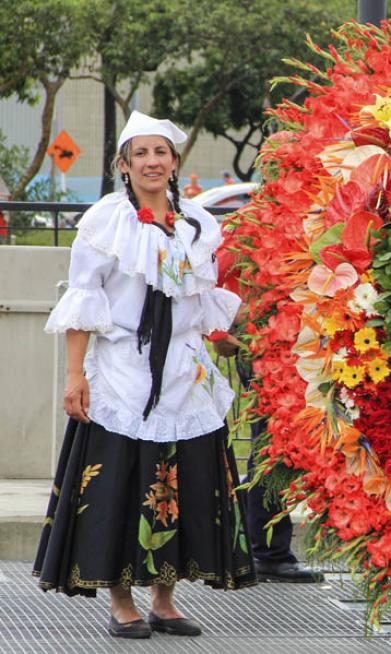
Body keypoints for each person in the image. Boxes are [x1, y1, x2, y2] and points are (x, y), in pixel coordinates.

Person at [34, 111, 256, 639]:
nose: (152, 162)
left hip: (184, 375)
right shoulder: (104, 222)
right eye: (141, 154)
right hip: (121, 372)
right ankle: (120, 600)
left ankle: (165, 598)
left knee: (180, 484)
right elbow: (84, 303)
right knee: (122, 484)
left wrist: (226, 334)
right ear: (124, 165)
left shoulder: (200, 224)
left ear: (175, 162)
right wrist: (74, 377)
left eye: (161, 153)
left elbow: (198, 300)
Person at [209, 249, 324, 583]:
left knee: (281, 446)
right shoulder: (252, 223)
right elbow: (214, 272)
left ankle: (253, 541)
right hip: (266, 347)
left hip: (308, 343)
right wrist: (219, 332)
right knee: (274, 446)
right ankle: (267, 551)